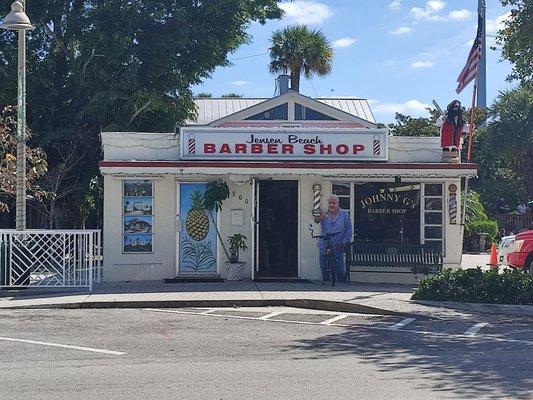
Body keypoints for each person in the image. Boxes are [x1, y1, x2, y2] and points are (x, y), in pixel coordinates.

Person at [314, 194, 353, 283]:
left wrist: (344, 242)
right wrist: (320, 218)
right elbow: (316, 220)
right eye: (330, 203)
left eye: (334, 203)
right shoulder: (324, 212)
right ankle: (326, 283)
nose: (331, 205)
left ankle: (341, 284)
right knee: (323, 266)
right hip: (324, 244)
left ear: (338, 204)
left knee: (339, 267)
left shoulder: (344, 214)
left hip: (337, 245)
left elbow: (349, 230)